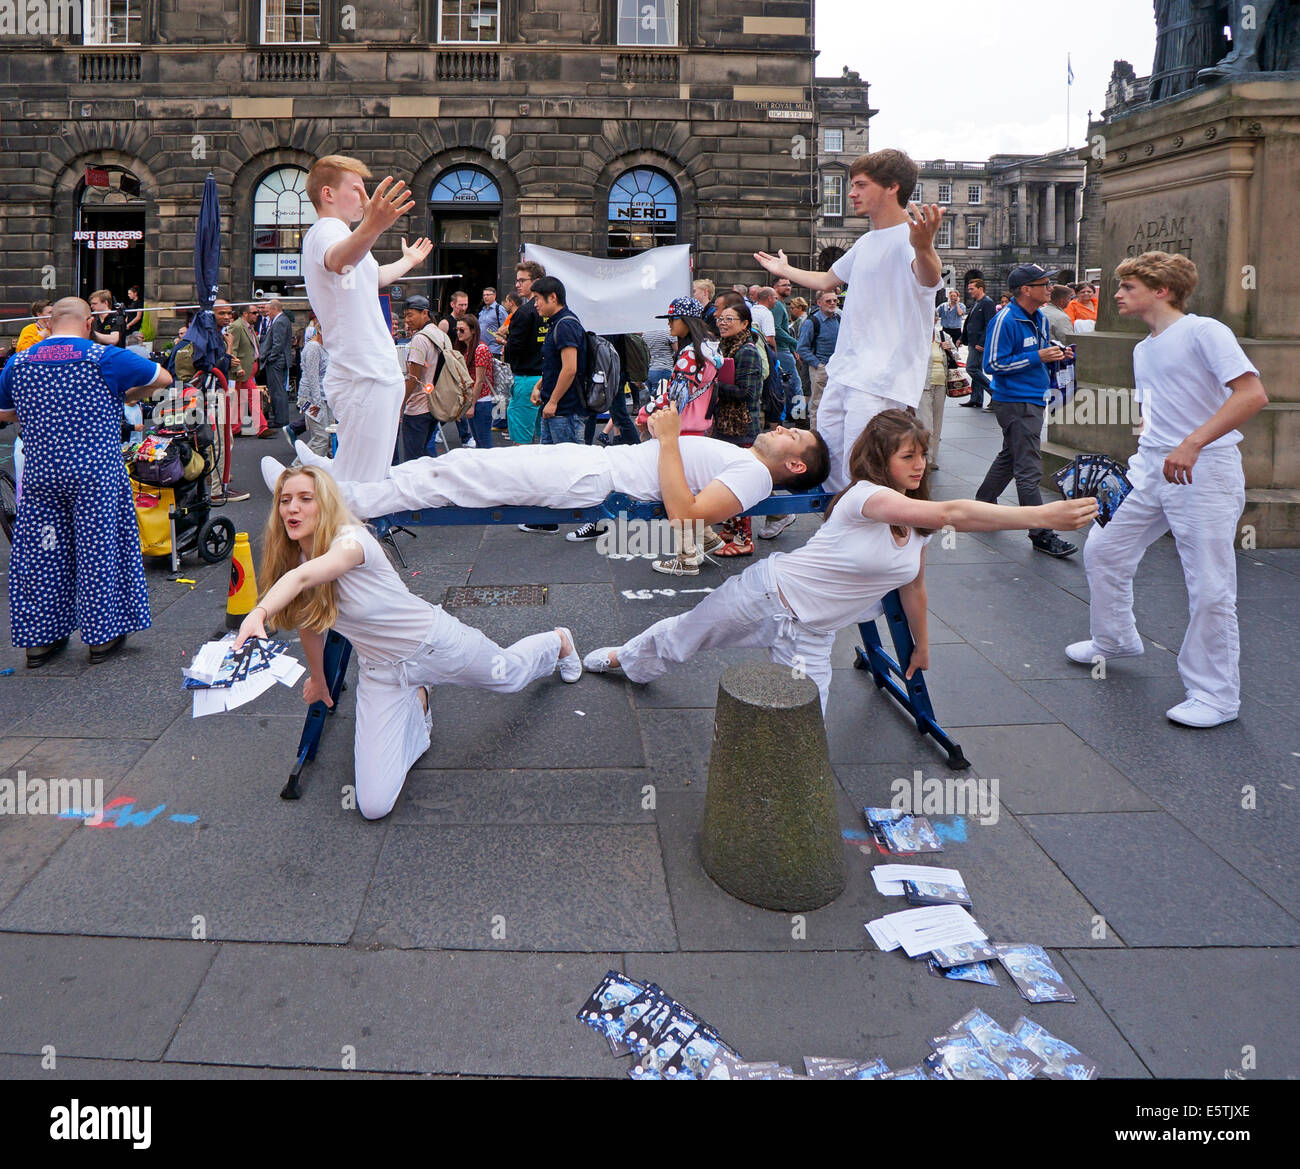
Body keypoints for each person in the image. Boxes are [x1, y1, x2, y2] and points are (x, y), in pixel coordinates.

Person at [584, 410, 1096, 713]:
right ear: (881, 461)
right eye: (907, 457)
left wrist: (920, 646)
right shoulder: (865, 498)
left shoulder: (915, 521)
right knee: (680, 640)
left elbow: (913, 587)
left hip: (812, 635)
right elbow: (954, 512)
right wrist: (1041, 515)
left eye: (923, 454)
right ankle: (625, 659)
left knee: (804, 722)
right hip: (765, 598)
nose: (919, 466)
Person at [235, 465, 583, 821]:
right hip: (381, 673)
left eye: (305, 499)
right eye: (285, 500)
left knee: (509, 675)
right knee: (373, 805)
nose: (292, 508)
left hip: (434, 644)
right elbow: (309, 624)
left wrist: (259, 612)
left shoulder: (352, 540)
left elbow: (304, 578)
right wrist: (319, 680)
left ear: (325, 503)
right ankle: (420, 701)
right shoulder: (295, 559)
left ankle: (557, 642)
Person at [1066, 251, 1269, 728]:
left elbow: (1252, 395)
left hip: (1204, 469)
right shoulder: (1143, 347)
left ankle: (1216, 696)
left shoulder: (1205, 332)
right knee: (1104, 548)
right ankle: (1114, 639)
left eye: (1128, 287)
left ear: (1162, 290)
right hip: (1149, 466)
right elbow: (1161, 407)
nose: (1117, 294)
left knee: (1209, 584)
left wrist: (1193, 442)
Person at [276, 406, 828, 526]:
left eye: (793, 435)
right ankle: (333, 482)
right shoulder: (745, 458)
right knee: (470, 461)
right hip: (597, 464)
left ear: (797, 466)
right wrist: (658, 435)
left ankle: (339, 498)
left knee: (461, 474)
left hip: (598, 480)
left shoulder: (755, 475)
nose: (783, 428)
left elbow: (686, 517)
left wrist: (666, 441)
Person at [755, 148, 945, 491]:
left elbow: (930, 279)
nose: (852, 193)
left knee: (866, 469)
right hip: (845, 369)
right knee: (831, 464)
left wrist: (923, 246)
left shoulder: (911, 238)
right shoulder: (867, 241)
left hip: (881, 378)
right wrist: (784, 270)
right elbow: (827, 279)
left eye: (860, 184)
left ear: (892, 187)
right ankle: (840, 528)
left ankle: (876, 533)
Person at [0, 297, 172, 666]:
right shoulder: (102, 357)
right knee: (99, 548)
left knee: (42, 553)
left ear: (47, 323)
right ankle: (101, 635)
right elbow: (162, 378)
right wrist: (125, 395)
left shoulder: (19, 361)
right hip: (94, 470)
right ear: (87, 321)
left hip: (42, 472)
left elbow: (4, 410)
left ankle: (40, 641)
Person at [299, 154, 433, 483]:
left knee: (363, 475)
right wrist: (373, 226)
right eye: (358, 188)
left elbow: (371, 277)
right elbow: (338, 260)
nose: (366, 197)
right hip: (364, 375)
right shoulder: (326, 230)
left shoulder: (341, 236)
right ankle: (314, 488)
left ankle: (316, 477)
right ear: (328, 194)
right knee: (364, 482)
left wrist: (408, 262)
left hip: (369, 373)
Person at [975, 264, 1079, 558]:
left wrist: (1056, 352)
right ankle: (1040, 532)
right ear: (1025, 289)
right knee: (1029, 466)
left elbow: (1039, 351)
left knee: (1011, 455)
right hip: (1016, 401)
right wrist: (1037, 357)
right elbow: (992, 365)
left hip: (1033, 397)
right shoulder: (1005, 319)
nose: (1050, 288)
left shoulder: (1041, 319)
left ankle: (983, 504)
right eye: (1043, 284)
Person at [711, 299, 765, 556]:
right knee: (727, 481)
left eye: (729, 319)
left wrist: (713, 386)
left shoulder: (747, 351)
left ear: (745, 323)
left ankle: (744, 540)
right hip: (726, 426)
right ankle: (731, 529)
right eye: (721, 318)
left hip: (741, 428)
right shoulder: (727, 347)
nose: (722, 323)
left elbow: (747, 393)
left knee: (739, 484)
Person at [504, 260, 545, 445]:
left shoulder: (524, 313)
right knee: (544, 439)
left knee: (521, 443)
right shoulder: (552, 311)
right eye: (517, 280)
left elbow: (514, 349)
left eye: (522, 280)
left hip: (526, 379)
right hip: (545, 378)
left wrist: (506, 343)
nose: (517, 285)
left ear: (535, 282)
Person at [397, 296, 438, 462]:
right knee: (424, 456)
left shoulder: (420, 338)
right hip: (434, 405)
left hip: (417, 408)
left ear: (425, 313)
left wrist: (400, 404)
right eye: (405, 316)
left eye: (411, 315)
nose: (407, 320)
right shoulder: (438, 334)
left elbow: (413, 378)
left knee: (412, 462)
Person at [796, 288, 842, 432]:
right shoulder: (812, 322)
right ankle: (816, 438)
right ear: (819, 303)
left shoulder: (838, 319)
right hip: (821, 369)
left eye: (835, 300)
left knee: (836, 406)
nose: (832, 303)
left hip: (838, 369)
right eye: (828, 301)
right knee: (818, 406)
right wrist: (819, 365)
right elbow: (802, 348)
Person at [454, 312, 495, 452]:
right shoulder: (468, 349)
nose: (458, 333)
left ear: (473, 330)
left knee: (484, 445)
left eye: (462, 330)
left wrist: (471, 406)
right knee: (480, 443)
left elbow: (479, 381)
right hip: (475, 401)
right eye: (457, 330)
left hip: (481, 401)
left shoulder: (480, 349)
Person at [960, 277, 998, 410]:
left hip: (979, 343)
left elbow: (990, 324)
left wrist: (982, 342)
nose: (969, 291)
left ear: (980, 289)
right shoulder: (977, 302)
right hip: (972, 342)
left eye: (972, 289)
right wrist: (962, 338)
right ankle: (976, 398)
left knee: (971, 368)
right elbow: (970, 322)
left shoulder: (987, 303)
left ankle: (995, 393)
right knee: (976, 368)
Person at [298, 321, 334, 459]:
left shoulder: (322, 346)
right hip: (312, 397)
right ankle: (296, 470)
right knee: (321, 439)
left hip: (323, 397)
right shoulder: (313, 347)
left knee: (329, 437)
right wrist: (317, 403)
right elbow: (313, 377)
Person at [229, 303, 266, 435]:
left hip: (251, 367)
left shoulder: (249, 327)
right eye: (255, 313)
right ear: (246, 314)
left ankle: (235, 428)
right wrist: (237, 367)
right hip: (243, 370)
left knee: (240, 399)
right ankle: (262, 427)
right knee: (253, 396)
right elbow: (231, 349)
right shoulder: (237, 326)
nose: (258, 315)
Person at [259, 299, 293, 433]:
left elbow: (278, 344)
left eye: (268, 311)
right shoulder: (283, 320)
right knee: (279, 390)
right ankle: (281, 418)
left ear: (274, 309)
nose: (267, 314)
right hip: (280, 359)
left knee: (277, 391)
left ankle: (280, 420)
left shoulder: (279, 321)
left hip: (277, 361)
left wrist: (270, 358)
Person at [478, 287, 507, 357]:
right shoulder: (482, 311)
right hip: (482, 348)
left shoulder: (499, 310)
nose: (485, 297)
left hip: (495, 350)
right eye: (484, 295)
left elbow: (507, 327)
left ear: (494, 296)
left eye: (488, 295)